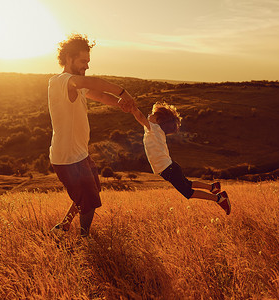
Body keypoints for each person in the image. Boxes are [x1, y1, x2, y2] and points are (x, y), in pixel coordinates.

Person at [48, 33, 135, 237]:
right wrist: (123, 92)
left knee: (92, 190)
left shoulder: (77, 86)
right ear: (68, 58)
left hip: (79, 154)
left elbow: (100, 95)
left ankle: (62, 227)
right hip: (67, 157)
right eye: (83, 61)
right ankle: (84, 240)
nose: (86, 66)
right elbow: (96, 84)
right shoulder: (61, 81)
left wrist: (121, 104)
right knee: (88, 201)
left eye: (88, 61)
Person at [130, 101, 231, 215]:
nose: (149, 115)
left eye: (153, 114)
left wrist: (133, 108)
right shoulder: (154, 130)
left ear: (159, 121)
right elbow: (142, 119)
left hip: (168, 169)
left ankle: (219, 198)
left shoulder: (153, 129)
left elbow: (140, 116)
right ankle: (212, 187)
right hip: (170, 167)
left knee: (188, 192)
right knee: (188, 184)